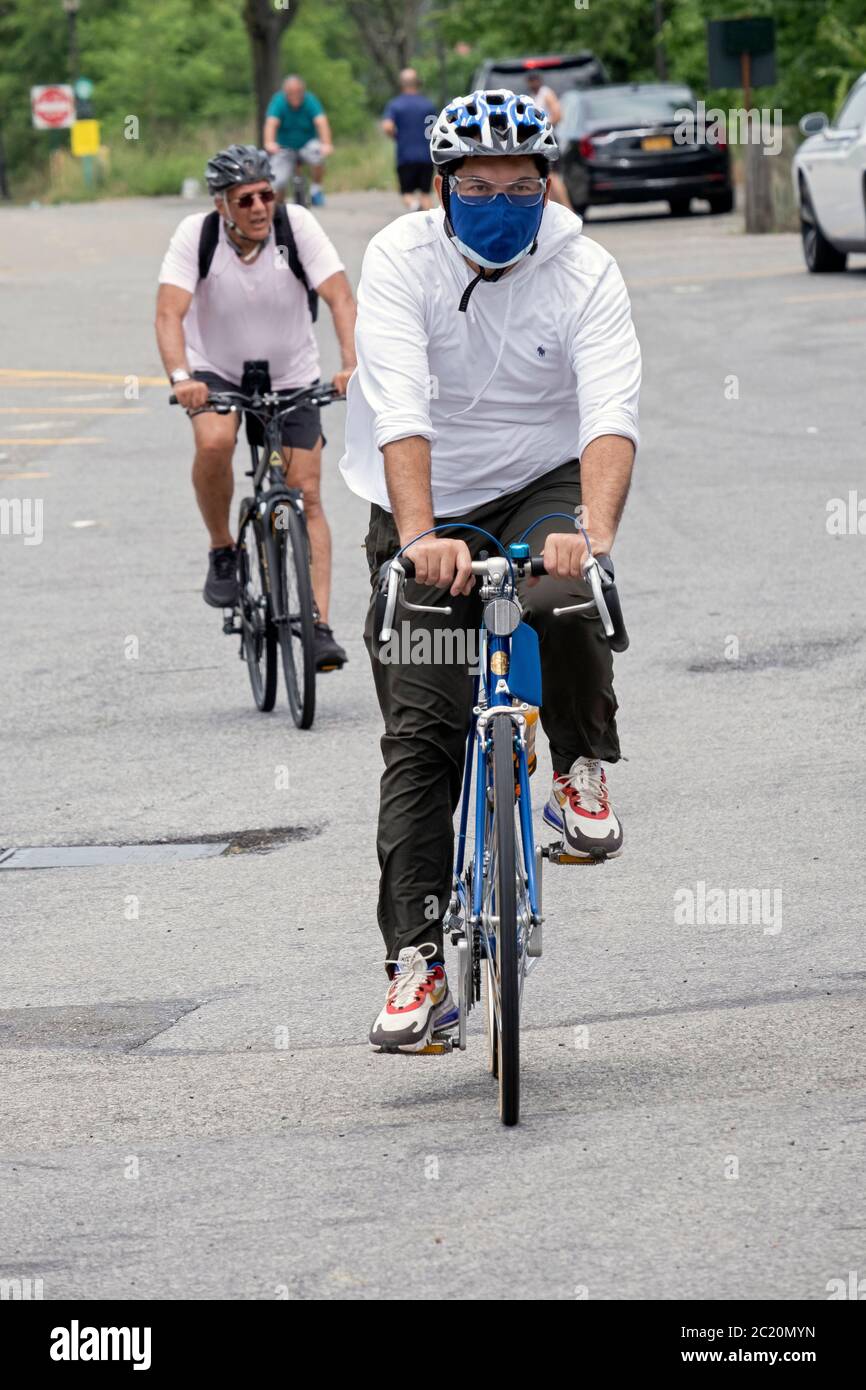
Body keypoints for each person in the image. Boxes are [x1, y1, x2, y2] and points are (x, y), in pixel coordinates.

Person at [340, 91, 641, 1051]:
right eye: (478, 186)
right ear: (443, 187)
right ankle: (416, 964)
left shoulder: (586, 270)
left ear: (548, 185)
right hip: (428, 499)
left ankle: (581, 769)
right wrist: (423, 536)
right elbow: (399, 408)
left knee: (564, 595)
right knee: (424, 731)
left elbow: (609, 414)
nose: (501, 202)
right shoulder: (399, 258)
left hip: (543, 481)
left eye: (520, 185)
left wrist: (591, 532)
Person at [155, 144, 356, 670]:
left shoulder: (298, 227)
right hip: (215, 373)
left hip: (292, 374)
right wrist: (181, 378)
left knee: (307, 494)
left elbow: (339, 297)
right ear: (222, 204)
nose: (260, 207)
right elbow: (168, 314)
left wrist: (352, 364)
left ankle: (317, 626)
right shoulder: (195, 237)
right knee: (215, 442)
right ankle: (224, 547)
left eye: (267, 194)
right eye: (246, 199)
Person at [263, 75, 333, 207]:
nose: (295, 96)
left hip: (306, 144)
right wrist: (269, 143)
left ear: (303, 91)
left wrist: (327, 144)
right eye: (291, 93)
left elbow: (321, 122)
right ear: (285, 92)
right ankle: (279, 206)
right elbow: (271, 123)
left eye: (298, 92)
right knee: (277, 179)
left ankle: (316, 189)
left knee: (318, 155)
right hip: (285, 146)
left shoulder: (310, 100)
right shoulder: (279, 101)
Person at [381, 68, 437, 212]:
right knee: (426, 194)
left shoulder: (396, 105)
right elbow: (435, 128)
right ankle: (431, 224)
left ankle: (415, 207)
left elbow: (387, 126)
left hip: (405, 156)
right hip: (426, 156)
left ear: (401, 84)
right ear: (418, 83)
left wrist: (396, 136)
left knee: (407, 193)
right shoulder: (428, 105)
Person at [525, 71, 572, 210]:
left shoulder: (546, 93)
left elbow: (557, 114)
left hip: (547, 136)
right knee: (543, 175)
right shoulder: (532, 97)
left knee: (553, 175)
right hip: (537, 139)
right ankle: (551, 209)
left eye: (535, 80)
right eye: (531, 81)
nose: (533, 84)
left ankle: (569, 209)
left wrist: (543, 127)